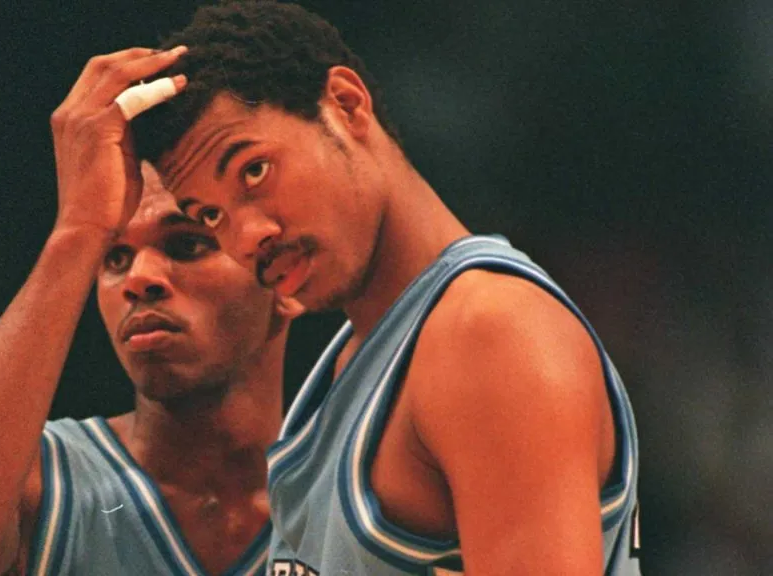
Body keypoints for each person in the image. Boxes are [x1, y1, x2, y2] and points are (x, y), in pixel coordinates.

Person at [131, 2, 642, 575]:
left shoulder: (489, 332)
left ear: (346, 104)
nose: (250, 236)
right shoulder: (357, 358)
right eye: (211, 217)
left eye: (254, 171)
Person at [0, 46, 302, 575]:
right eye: (114, 256)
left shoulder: (355, 489)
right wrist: (78, 229)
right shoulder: (43, 480)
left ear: (285, 281)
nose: (140, 279)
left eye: (187, 245)